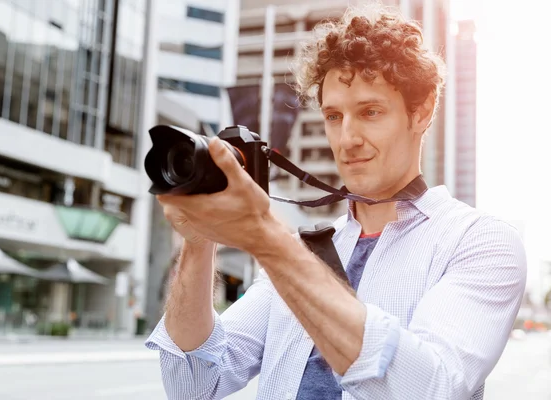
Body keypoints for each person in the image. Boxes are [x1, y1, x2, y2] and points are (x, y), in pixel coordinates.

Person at [146, 4, 527, 400]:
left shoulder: (479, 242)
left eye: (370, 112)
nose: (347, 139)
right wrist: (199, 240)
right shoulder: (299, 252)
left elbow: (428, 387)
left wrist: (264, 238)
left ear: (423, 110)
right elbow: (192, 384)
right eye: (333, 116)